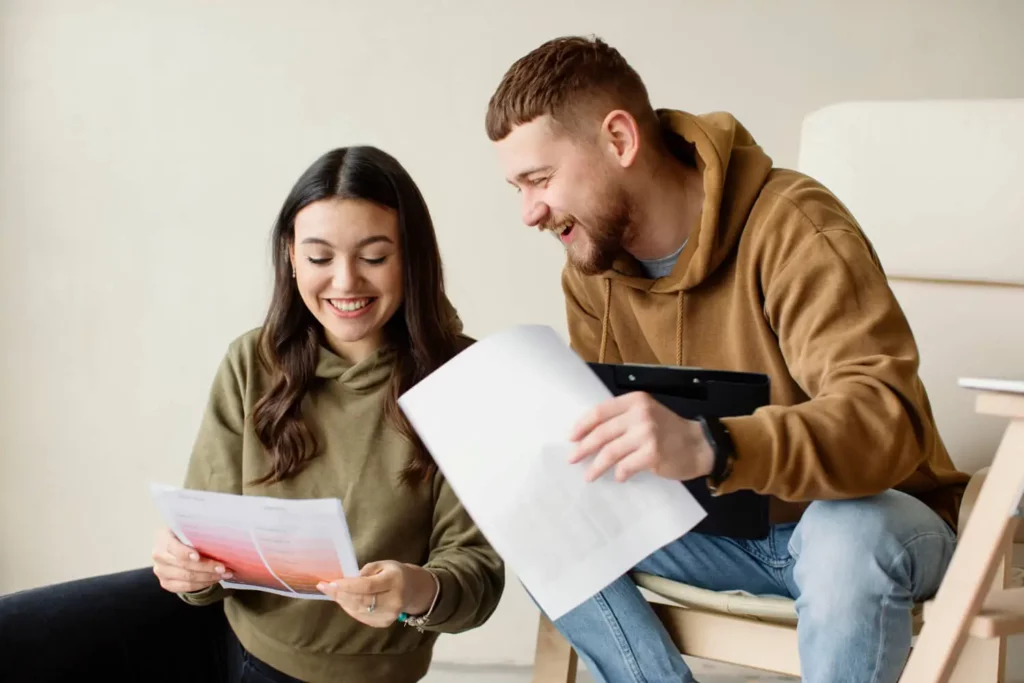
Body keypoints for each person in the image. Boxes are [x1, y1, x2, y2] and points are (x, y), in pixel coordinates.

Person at [485, 35, 969, 683]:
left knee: (842, 535)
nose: (529, 211)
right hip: (722, 534)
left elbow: (885, 422)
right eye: (518, 187)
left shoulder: (795, 226)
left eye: (540, 179)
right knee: (534, 516)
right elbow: (606, 453)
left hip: (876, 522)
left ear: (620, 140)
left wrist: (715, 444)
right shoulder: (591, 268)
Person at [151, 145, 504, 683]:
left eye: (374, 257)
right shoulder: (251, 361)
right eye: (320, 258)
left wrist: (414, 589)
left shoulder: (462, 376)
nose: (345, 283)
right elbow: (204, 550)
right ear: (291, 258)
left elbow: (476, 574)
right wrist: (184, 568)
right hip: (245, 653)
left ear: (412, 258)